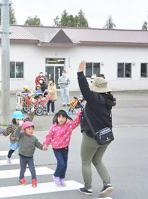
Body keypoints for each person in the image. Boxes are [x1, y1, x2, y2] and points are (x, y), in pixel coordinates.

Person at [77, 61, 116, 197]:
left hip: (92, 136)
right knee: (97, 160)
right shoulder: (108, 100)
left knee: (85, 161)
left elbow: (84, 88)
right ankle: (107, 184)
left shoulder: (93, 99)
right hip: (106, 136)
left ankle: (87, 188)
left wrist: (80, 72)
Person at [43, 110, 82, 186]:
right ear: (57, 118)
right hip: (56, 148)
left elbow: (76, 122)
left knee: (65, 164)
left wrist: (79, 114)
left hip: (65, 148)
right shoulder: (54, 127)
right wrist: (45, 144)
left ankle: (62, 178)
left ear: (66, 118)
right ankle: (56, 175)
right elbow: (48, 136)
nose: (61, 119)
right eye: (59, 117)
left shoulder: (69, 126)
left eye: (63, 117)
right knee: (61, 163)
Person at [16, 121, 47, 188]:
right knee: (23, 169)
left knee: (32, 169)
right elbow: (16, 133)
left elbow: (38, 144)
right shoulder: (21, 135)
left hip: (30, 157)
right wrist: (20, 126)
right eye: (29, 129)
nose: (31, 130)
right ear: (24, 129)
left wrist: (43, 147)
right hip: (22, 156)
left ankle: (34, 180)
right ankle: (21, 178)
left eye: (32, 129)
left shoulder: (34, 138)